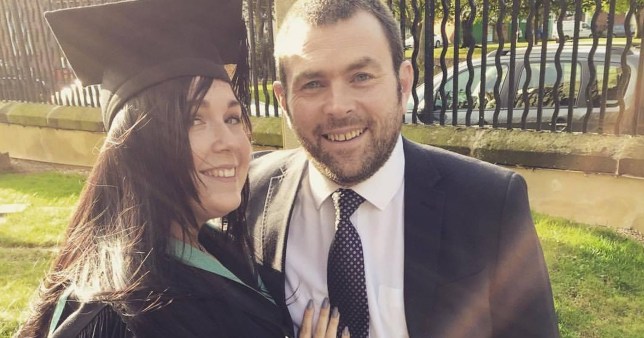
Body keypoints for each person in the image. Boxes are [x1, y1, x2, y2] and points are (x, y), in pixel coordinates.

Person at [16, 0, 345, 337]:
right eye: (193, 120)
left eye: (232, 118)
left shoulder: (220, 251)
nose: (229, 141)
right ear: (137, 145)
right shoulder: (119, 318)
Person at [245, 0, 560, 337]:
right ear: (283, 100)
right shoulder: (252, 194)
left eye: (361, 77)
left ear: (403, 82)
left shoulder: (487, 202)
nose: (338, 106)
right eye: (312, 84)